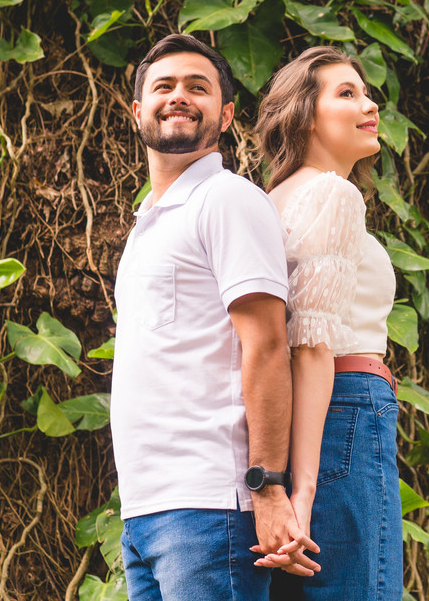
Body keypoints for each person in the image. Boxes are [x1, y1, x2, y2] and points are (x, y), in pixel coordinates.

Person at [111, 33, 319, 600]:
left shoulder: (227, 200)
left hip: (209, 507)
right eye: (164, 86)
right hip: (145, 511)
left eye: (197, 87)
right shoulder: (147, 224)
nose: (178, 96)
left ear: (225, 115)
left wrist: (267, 487)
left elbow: (267, 345)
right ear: (138, 111)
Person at [253, 47, 404, 600]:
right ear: (305, 116)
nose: (370, 105)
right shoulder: (333, 193)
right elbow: (312, 347)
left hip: (294, 419)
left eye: (366, 92)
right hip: (347, 409)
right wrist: (304, 491)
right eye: (347, 93)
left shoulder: (268, 202)